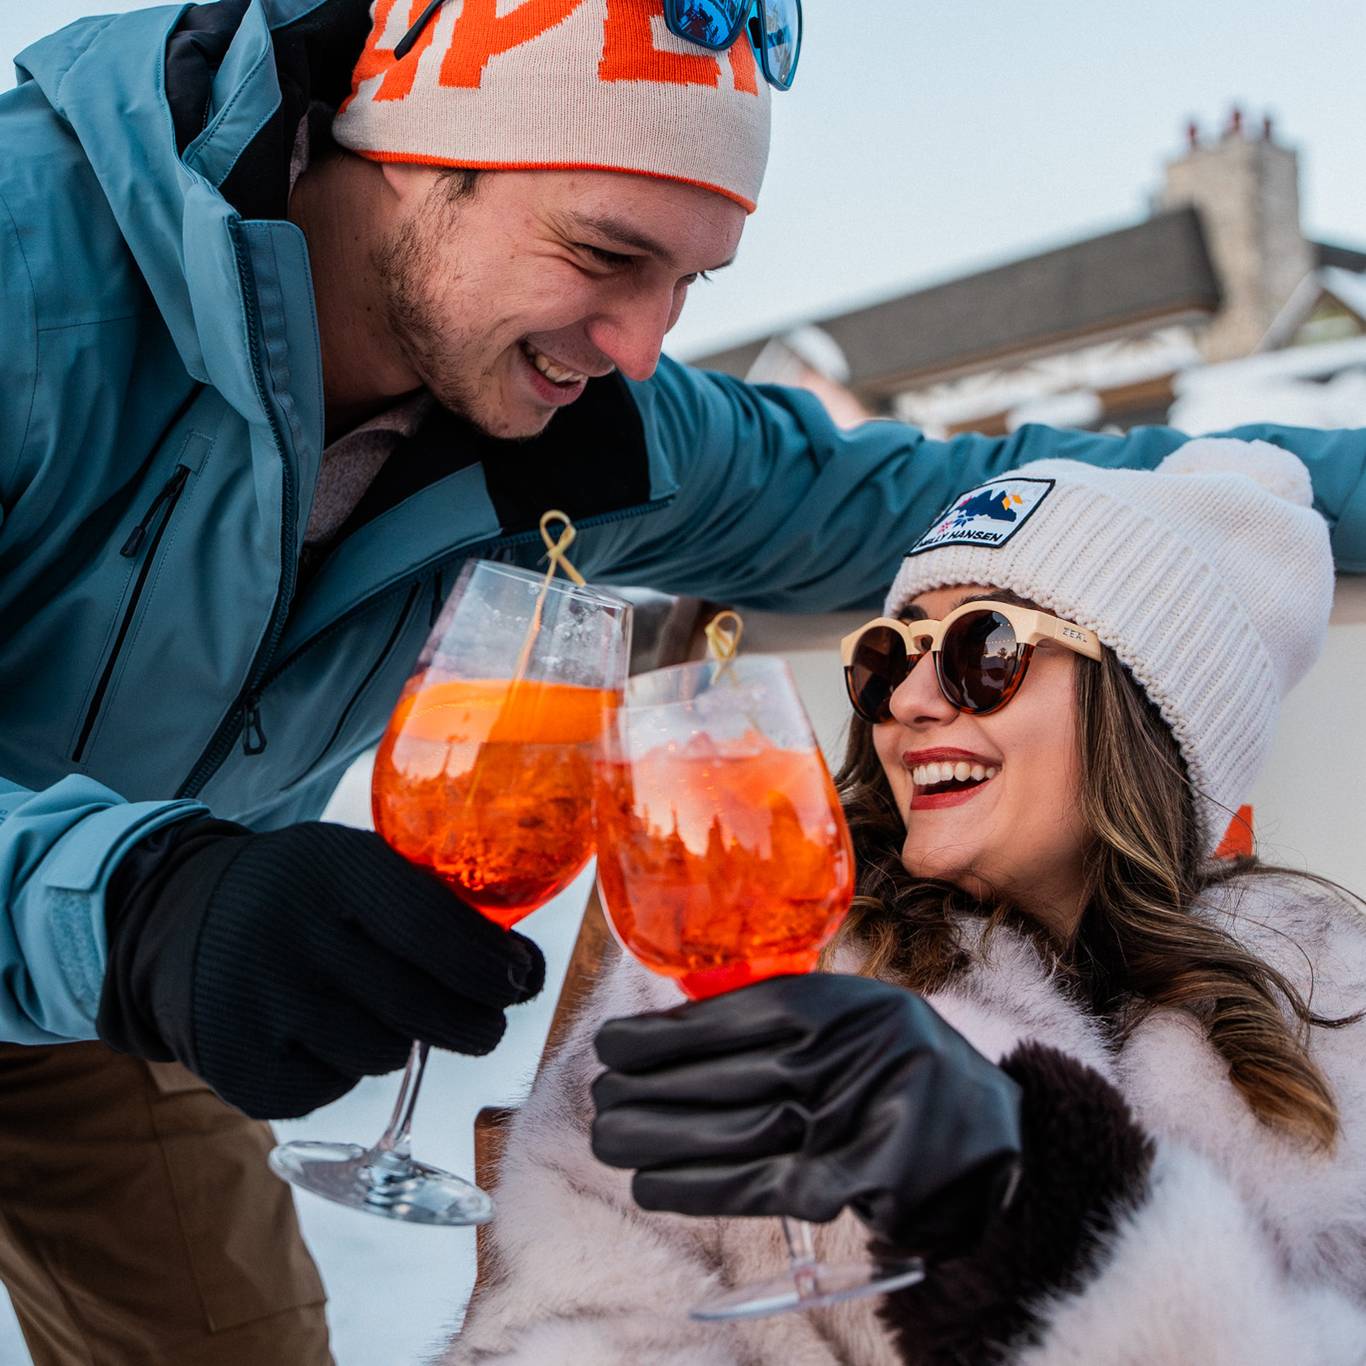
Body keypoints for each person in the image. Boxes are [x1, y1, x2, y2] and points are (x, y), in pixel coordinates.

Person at [1, 0, 1364, 1358]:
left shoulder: (578, 423)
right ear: (414, 151)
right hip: (118, 929)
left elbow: (953, 497)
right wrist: (135, 907)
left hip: (101, 1007)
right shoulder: (31, 264)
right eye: (606, 253)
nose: (642, 347)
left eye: (690, 284)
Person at [447, 438, 1366, 1365]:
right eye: (890, 657)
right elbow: (569, 1327)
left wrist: (1048, 1210)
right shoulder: (756, 945)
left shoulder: (1330, 1013)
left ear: (1147, 716)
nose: (911, 701)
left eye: (984, 649)